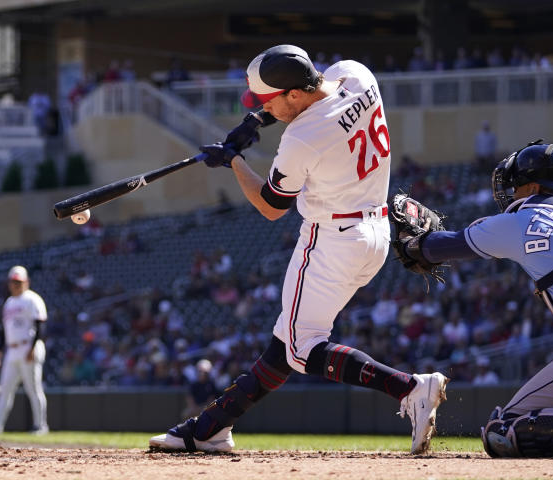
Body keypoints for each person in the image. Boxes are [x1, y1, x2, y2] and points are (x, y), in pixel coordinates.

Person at [149, 44, 448, 454]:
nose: (263, 107)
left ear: (292, 94)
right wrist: (255, 121)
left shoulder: (301, 138)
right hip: (375, 232)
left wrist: (234, 159)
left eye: (267, 100)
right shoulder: (356, 73)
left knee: (300, 348)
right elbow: (315, 102)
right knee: (285, 344)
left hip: (331, 241)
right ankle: (209, 428)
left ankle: (409, 388)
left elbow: (271, 207)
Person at [394, 140, 553, 458]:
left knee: (505, 430)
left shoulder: (524, 220)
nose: (511, 194)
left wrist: (412, 242)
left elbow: (434, 248)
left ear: (535, 186)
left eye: (516, 186)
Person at [0, 265, 49, 435]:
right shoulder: (9, 302)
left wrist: (33, 347)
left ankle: (40, 426)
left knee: (33, 389)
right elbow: (5, 331)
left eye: (18, 281)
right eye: (13, 282)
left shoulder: (32, 299)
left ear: (26, 282)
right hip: (12, 349)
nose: (15, 285)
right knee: (5, 388)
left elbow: (40, 325)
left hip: (29, 346)